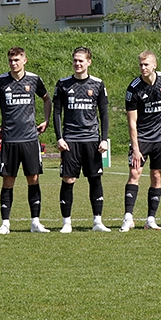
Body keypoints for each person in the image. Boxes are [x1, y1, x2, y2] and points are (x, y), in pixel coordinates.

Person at [0, 47, 52, 235]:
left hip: (30, 138)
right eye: (11, 60)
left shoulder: (34, 79)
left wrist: (46, 120)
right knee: (8, 181)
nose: (14, 63)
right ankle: (5, 223)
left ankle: (35, 222)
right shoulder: (0, 81)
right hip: (10, 140)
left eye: (17, 60)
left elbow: (47, 99)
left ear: (25, 61)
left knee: (34, 179)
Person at [53, 46, 110, 233]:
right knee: (68, 180)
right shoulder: (63, 84)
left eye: (81, 60)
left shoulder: (98, 84)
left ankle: (97, 222)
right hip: (71, 140)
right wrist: (59, 137)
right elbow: (56, 112)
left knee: (95, 179)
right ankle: (66, 223)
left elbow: (104, 114)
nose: (77, 63)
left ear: (89, 62)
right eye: (75, 60)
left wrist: (104, 139)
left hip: (92, 140)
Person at [121, 51, 161, 231]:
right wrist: (136, 148)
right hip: (142, 137)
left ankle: (151, 220)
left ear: (154, 65)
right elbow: (132, 122)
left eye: (146, 64)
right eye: (140, 64)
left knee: (156, 176)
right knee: (135, 173)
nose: (143, 68)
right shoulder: (134, 88)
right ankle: (128, 218)